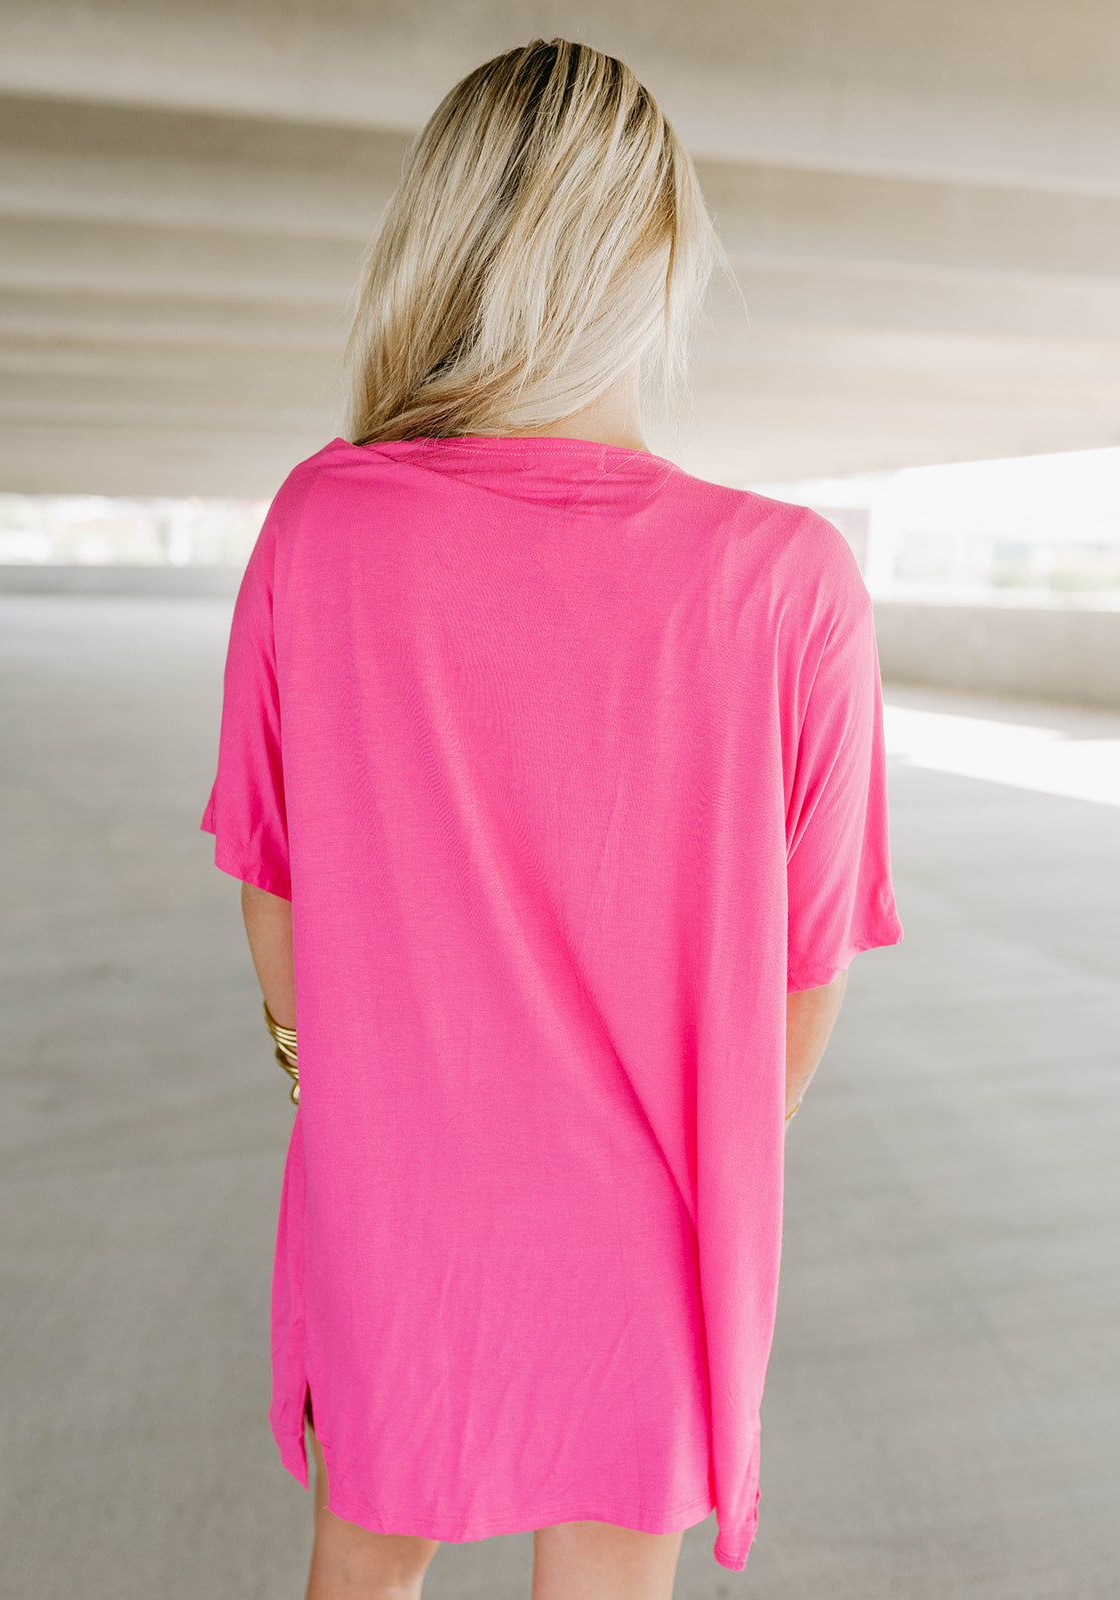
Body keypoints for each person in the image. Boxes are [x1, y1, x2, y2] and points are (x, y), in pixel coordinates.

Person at [201, 36, 903, 1600]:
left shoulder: (320, 527)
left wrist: (361, 1097)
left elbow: (273, 893)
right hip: (650, 1229)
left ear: (444, 242)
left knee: (360, 1578)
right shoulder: (789, 583)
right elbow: (803, 983)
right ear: (658, 258)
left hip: (396, 1205)